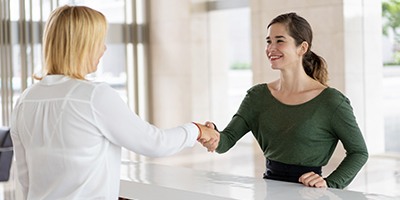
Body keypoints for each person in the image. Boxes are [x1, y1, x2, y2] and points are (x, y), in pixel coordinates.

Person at [10, 5, 219, 200]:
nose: (104, 49)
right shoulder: (93, 96)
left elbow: (24, 181)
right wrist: (197, 130)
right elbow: (155, 143)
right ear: (82, 46)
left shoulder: (25, 100)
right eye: (99, 41)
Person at [200, 12, 368, 189]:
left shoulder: (331, 101)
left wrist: (330, 183)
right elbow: (226, 141)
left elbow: (359, 152)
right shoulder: (257, 96)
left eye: (279, 41)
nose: (271, 48)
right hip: (269, 191)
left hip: (309, 194)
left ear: (302, 48)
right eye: (268, 41)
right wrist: (212, 136)